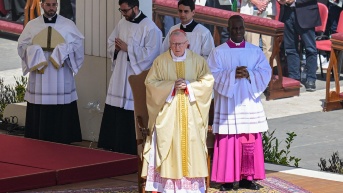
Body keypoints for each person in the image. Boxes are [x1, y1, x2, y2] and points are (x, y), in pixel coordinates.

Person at [142, 29, 214, 193]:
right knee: (166, 142)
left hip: (191, 115)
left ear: (187, 43)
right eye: (173, 44)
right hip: (168, 116)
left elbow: (208, 81)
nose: (176, 47)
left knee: (192, 144)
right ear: (169, 44)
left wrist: (189, 85)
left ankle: (191, 189)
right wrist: (170, 86)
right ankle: (167, 188)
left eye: (180, 44)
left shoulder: (198, 61)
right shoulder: (160, 61)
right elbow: (150, 83)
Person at [208, 15, 271, 191]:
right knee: (229, 140)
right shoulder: (218, 52)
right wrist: (231, 75)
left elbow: (265, 72)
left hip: (248, 102)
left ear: (244, 29)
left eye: (241, 28)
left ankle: (247, 179)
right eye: (234, 28)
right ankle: (227, 180)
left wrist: (250, 74)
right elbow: (211, 75)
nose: (238, 32)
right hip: (229, 104)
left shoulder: (254, 51)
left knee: (248, 139)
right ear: (228, 29)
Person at [98, 0, 162, 155]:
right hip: (120, 72)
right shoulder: (122, 23)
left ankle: (128, 147)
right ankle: (112, 144)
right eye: (121, 10)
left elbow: (152, 54)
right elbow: (110, 43)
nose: (123, 14)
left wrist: (129, 49)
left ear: (135, 8)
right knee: (115, 105)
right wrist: (116, 48)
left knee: (130, 108)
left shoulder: (150, 28)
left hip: (135, 75)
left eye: (125, 10)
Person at [17, 0, 84, 144]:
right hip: (40, 74)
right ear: (41, 5)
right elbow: (21, 46)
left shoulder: (67, 25)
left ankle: (63, 139)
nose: (52, 8)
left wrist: (63, 51)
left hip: (60, 72)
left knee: (60, 106)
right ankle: (38, 139)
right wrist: (34, 51)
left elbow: (78, 45)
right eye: (48, 5)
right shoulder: (32, 25)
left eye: (54, 5)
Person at [278, 0, 321, 91]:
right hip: (287, 12)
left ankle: (311, 79)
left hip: (305, 13)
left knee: (310, 48)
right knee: (290, 48)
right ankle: (294, 78)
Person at [240, 0, 277, 65]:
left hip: (268, 10)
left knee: (269, 47)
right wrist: (256, 2)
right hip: (249, 12)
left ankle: (268, 73)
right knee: (251, 46)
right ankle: (252, 73)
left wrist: (264, 2)